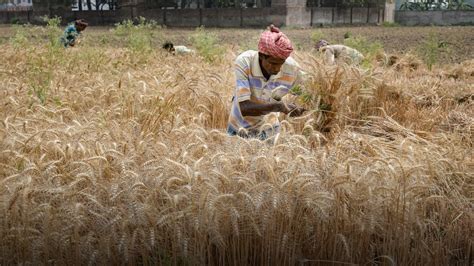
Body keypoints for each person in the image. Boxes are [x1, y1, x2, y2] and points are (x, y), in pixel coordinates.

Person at [227, 25, 306, 140]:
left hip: (270, 131)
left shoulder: (292, 68)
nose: (277, 69)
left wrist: (298, 108)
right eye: (273, 63)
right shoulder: (244, 62)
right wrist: (279, 106)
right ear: (261, 55)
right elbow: (244, 108)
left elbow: (309, 91)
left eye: (281, 63)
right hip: (238, 129)